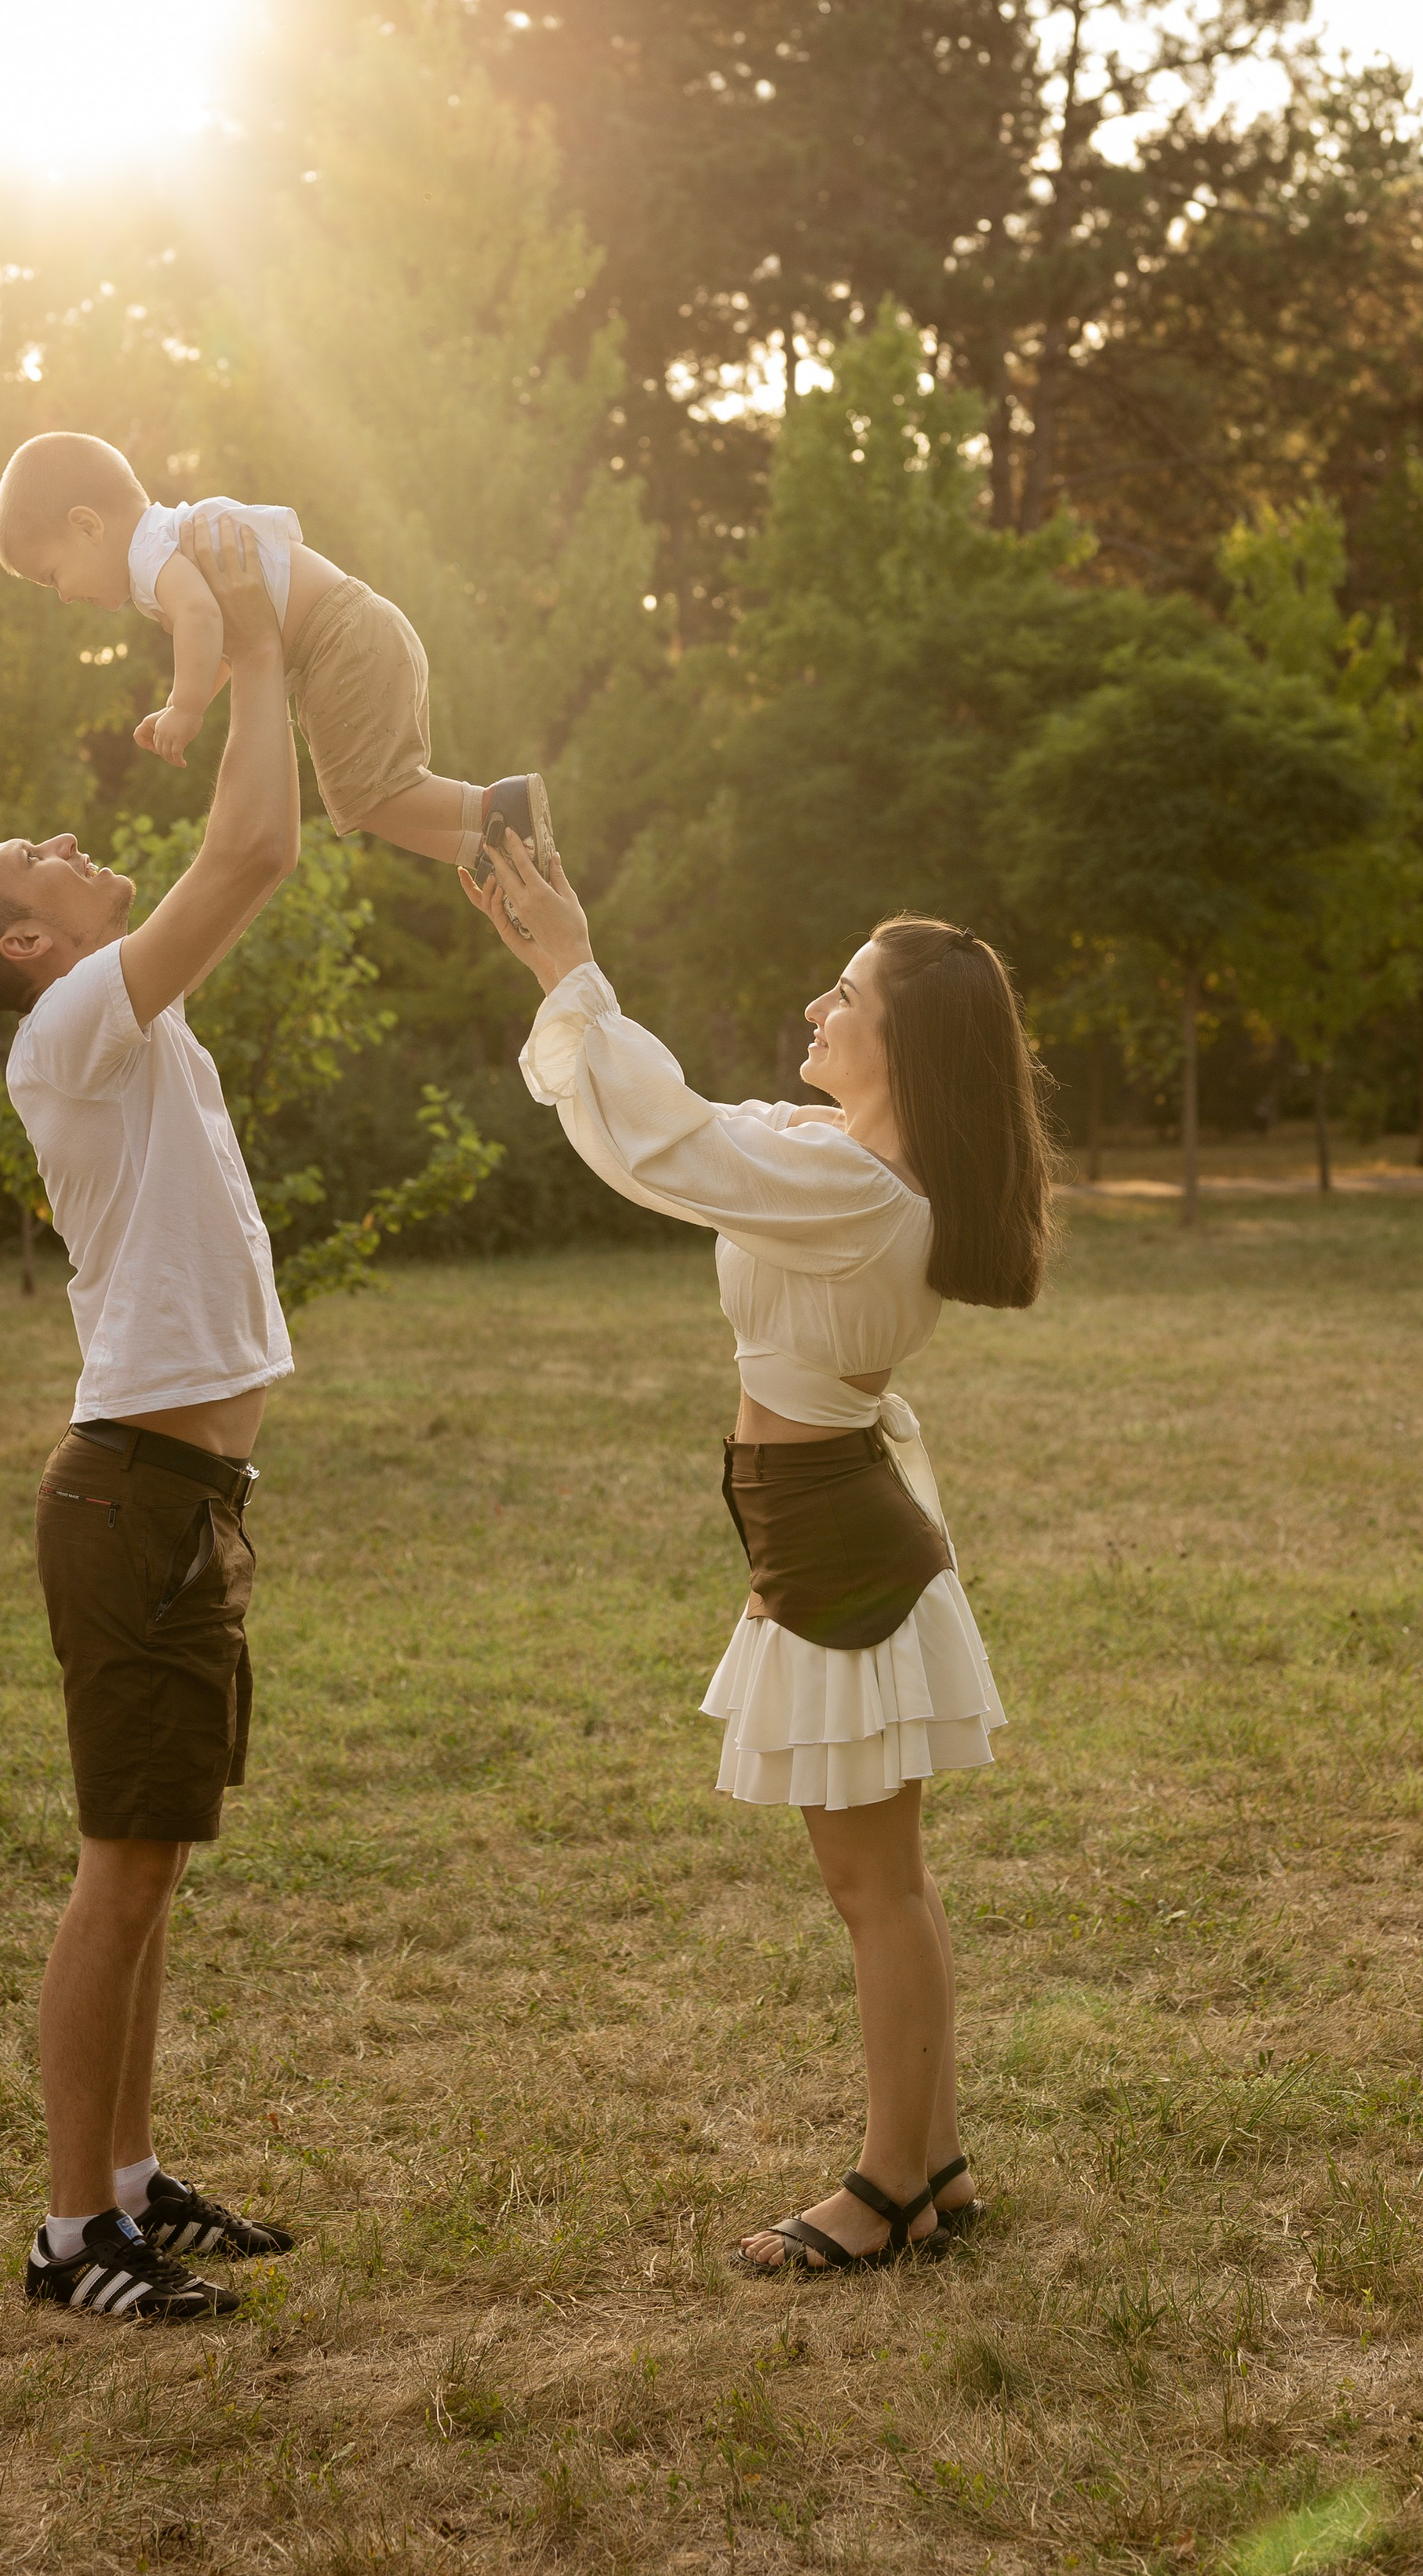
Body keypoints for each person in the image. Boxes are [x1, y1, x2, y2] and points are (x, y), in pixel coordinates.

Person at [463, 829, 1054, 2279]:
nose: (815, 1007)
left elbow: (675, 1144)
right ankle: (936, 2165)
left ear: (906, 1044)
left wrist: (572, 965)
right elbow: (671, 1134)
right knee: (886, 1883)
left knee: (874, 1889)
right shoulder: (836, 1160)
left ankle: (891, 2185)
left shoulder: (858, 1190)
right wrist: (568, 979)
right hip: (823, 1524)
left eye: (846, 995)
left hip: (840, 1542)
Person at [0, 515, 304, 2326]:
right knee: (119, 1867)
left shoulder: (120, 1015)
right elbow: (256, 847)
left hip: (179, 1493)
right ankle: (72, 2236)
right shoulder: (67, 1023)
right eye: (38, 856)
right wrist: (256, 644)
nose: (70, 843)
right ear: (24, 936)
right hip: (133, 1493)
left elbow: (238, 856)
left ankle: (129, 2182)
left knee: (155, 1858)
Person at [0, 429, 556, 901]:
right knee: (360, 803)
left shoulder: (151, 551)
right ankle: (490, 850)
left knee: (377, 792)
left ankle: (498, 806)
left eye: (53, 576)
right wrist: (183, 703)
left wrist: (186, 708)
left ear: (88, 526)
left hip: (337, 640)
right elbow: (223, 642)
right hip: (347, 638)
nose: (64, 597)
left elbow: (200, 618)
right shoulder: (161, 548)